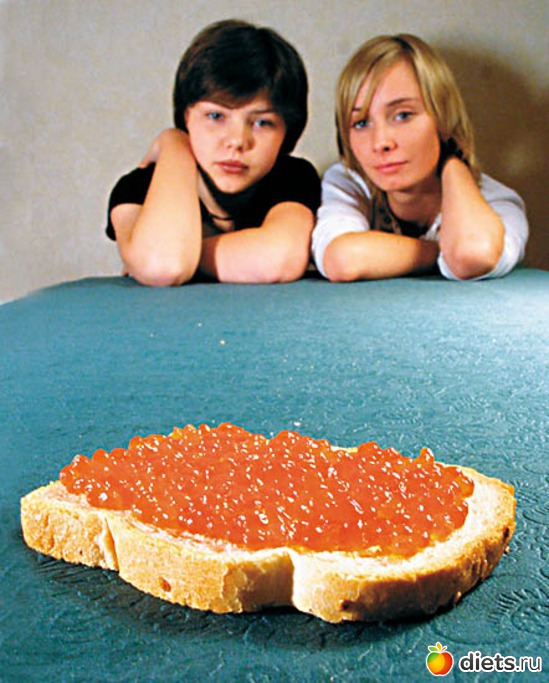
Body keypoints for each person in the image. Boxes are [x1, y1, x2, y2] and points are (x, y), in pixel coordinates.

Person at [106, 20, 320, 286]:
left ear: (287, 131)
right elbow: (164, 266)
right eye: (216, 116)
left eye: (262, 122)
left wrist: (181, 250)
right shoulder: (138, 187)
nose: (237, 141)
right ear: (186, 116)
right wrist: (174, 145)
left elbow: (280, 259)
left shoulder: (292, 176)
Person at [312, 34, 529, 282]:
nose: (381, 142)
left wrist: (453, 164)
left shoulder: (495, 202)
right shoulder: (350, 181)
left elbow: (471, 256)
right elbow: (343, 259)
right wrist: (437, 251)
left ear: (442, 118)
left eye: (403, 115)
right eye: (361, 123)